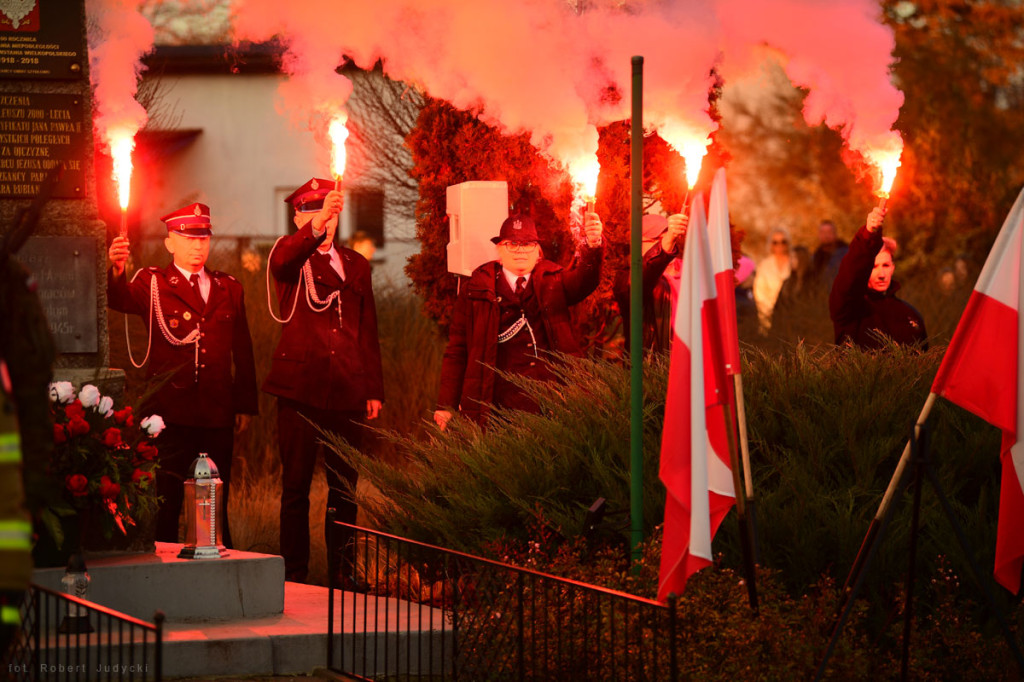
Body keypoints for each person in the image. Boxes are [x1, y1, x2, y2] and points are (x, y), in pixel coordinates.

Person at [107, 203, 258, 548]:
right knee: (167, 500)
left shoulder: (228, 287)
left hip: (216, 412)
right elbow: (118, 299)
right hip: (170, 413)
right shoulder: (152, 283)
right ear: (170, 243)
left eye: (203, 238)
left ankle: (214, 560)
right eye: (189, 238)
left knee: (214, 502)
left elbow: (243, 350)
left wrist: (244, 406)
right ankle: (164, 565)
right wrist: (116, 269)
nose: (197, 246)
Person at [264, 178, 384, 584]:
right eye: (314, 214)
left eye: (330, 213)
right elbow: (283, 263)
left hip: (347, 389)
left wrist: (373, 388)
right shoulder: (289, 254)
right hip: (300, 389)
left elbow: (367, 328)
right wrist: (314, 230)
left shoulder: (356, 263)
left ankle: (343, 575)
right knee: (296, 487)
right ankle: (294, 575)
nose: (325, 220)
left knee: (345, 489)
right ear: (298, 218)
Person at [434, 212, 603, 429]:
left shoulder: (555, 281)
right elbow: (457, 350)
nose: (520, 251)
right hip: (495, 410)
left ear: (538, 250)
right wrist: (446, 404)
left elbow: (585, 280)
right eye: (512, 244)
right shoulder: (475, 290)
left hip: (549, 407)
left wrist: (593, 245)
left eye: (527, 244)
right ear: (499, 249)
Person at [829, 206, 927, 349]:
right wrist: (869, 235)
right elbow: (850, 276)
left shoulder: (910, 315)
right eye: (874, 267)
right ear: (865, 269)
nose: (881, 274)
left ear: (893, 267)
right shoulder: (850, 309)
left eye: (885, 265)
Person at [612, 213, 688, 354]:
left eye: (668, 235)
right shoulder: (627, 278)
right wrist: (665, 245)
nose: (667, 241)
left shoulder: (691, 269)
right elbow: (639, 283)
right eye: (656, 239)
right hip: (656, 364)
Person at [753, 227, 792, 332]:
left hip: (792, 313)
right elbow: (759, 292)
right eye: (775, 242)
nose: (779, 245)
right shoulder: (764, 265)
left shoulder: (794, 262)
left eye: (783, 242)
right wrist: (769, 311)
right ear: (771, 244)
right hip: (769, 314)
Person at [812, 219, 849, 287]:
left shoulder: (847, 255)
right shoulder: (815, 259)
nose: (826, 236)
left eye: (829, 232)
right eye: (823, 232)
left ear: (835, 234)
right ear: (819, 235)